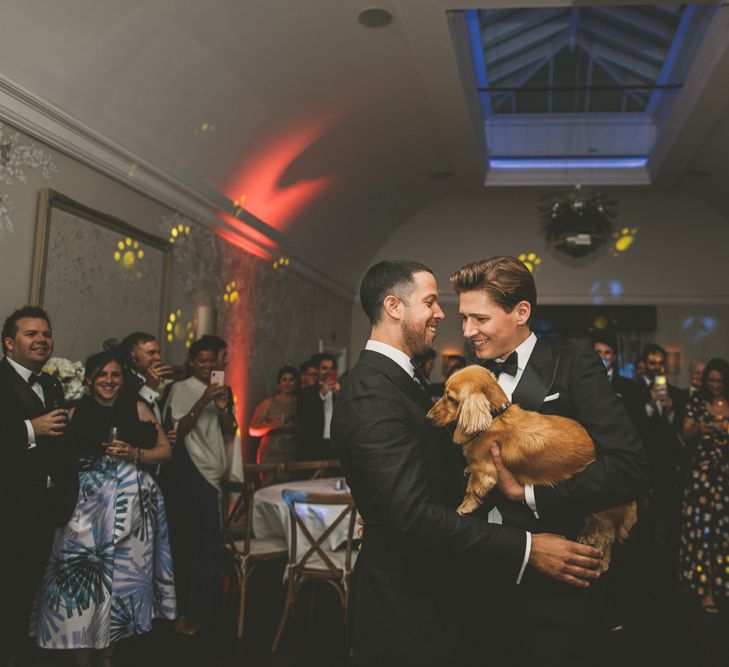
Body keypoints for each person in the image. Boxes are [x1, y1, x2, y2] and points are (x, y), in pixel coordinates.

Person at [332, 260, 604, 667]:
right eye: (429, 302)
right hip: (406, 612)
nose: (442, 315)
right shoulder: (370, 389)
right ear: (393, 307)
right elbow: (411, 514)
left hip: (440, 599)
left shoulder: (401, 380)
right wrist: (528, 548)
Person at [450, 256, 647, 665]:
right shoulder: (469, 379)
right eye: (464, 318)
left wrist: (530, 495)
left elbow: (629, 469)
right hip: (479, 584)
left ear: (521, 312)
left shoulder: (574, 366)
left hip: (556, 596)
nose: (468, 331)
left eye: (480, 319)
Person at [32, 350, 175, 664]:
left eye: (115, 375)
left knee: (119, 584)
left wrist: (135, 453)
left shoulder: (138, 407)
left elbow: (165, 451)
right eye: (102, 375)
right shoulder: (73, 411)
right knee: (77, 581)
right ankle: (81, 656)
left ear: (123, 379)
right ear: (89, 379)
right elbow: (51, 454)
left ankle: (108, 655)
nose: (109, 381)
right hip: (82, 509)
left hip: (130, 509)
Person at [0, 306, 78, 667]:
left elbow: (62, 446)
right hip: (7, 508)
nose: (42, 340)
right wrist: (31, 429)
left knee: (22, 594)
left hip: (42, 512)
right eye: (32, 334)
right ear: (9, 343)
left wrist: (64, 501)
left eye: (46, 334)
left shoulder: (50, 383)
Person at [164, 338, 236, 635]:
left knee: (209, 545)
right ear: (192, 361)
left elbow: (230, 431)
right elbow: (177, 431)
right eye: (203, 361)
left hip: (213, 469)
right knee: (191, 544)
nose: (209, 366)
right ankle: (186, 613)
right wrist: (204, 400)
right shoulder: (180, 389)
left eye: (212, 361)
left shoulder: (223, 391)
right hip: (189, 471)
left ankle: (205, 611)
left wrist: (223, 408)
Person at [679, 357, 729, 614]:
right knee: (703, 534)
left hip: (725, 478)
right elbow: (685, 434)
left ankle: (723, 586)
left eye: (720, 381)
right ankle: (705, 589)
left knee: (724, 535)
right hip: (702, 477)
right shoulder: (696, 401)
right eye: (712, 380)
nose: (716, 384)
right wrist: (703, 426)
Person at [297, 352, 340, 459]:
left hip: (337, 444)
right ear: (318, 371)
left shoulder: (342, 391)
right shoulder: (306, 392)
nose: (328, 372)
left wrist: (341, 395)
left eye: (332, 368)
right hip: (314, 445)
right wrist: (321, 394)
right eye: (324, 368)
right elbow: (304, 417)